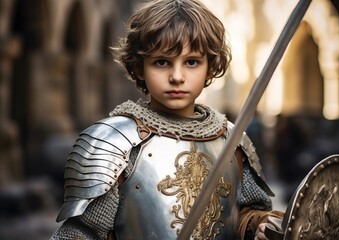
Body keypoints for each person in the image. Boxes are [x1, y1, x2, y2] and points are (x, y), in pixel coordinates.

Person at [50, 0, 283, 239]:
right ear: (140, 67)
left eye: (192, 62)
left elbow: (244, 214)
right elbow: (81, 232)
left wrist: (259, 225)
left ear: (210, 67)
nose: (177, 77)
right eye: (162, 62)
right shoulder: (112, 143)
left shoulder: (233, 140)